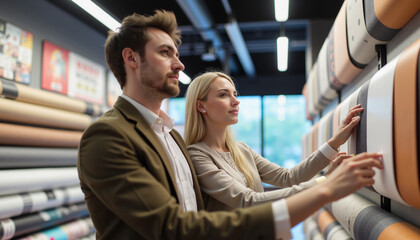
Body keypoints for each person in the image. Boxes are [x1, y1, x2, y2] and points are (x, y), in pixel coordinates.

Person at [77, 10, 383, 240]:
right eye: (165, 52)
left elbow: (286, 177)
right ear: (131, 58)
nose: (180, 64)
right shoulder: (108, 136)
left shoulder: (170, 136)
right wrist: (323, 188)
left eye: (177, 53)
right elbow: (174, 227)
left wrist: (334, 147)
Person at [184, 72, 363, 211]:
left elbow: (289, 177)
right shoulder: (197, 155)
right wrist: (326, 181)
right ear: (201, 106)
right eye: (224, 95)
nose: (236, 101)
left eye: (235, 94)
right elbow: (248, 201)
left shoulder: (242, 150)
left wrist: (334, 142)